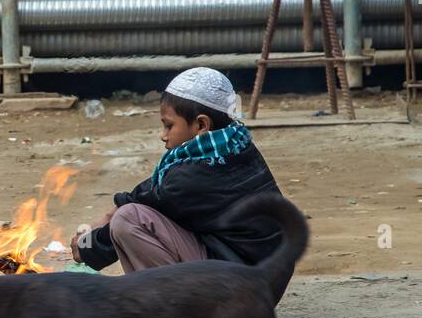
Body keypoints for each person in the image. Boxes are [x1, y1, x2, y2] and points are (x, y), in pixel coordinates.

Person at [72, 67, 284, 277]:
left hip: (236, 289)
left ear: (201, 124)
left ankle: (176, 307)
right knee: (127, 213)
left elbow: (160, 196)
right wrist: (109, 213)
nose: (163, 136)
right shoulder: (235, 145)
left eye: (169, 126)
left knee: (128, 219)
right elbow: (155, 192)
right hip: (261, 283)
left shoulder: (192, 179)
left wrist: (87, 248)